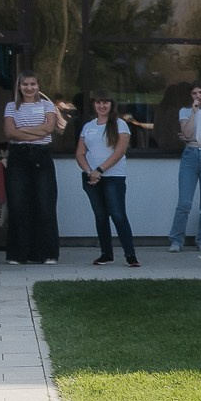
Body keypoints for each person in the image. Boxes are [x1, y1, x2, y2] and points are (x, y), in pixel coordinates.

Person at [1, 72, 66, 265]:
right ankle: (18, 254)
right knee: (18, 204)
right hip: (18, 156)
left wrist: (21, 131)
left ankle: (47, 253)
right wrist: (36, 132)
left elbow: (49, 128)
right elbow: (9, 132)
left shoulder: (47, 105)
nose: (29, 88)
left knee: (45, 204)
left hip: (42, 155)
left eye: (32, 84)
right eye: (25, 84)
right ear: (19, 87)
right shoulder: (11, 106)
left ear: (38, 86)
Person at [75, 91, 138, 268]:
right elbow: (80, 153)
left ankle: (130, 255)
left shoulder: (120, 124)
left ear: (111, 105)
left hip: (113, 177)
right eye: (98, 102)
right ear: (93, 104)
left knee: (118, 215)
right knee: (100, 216)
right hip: (91, 178)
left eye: (105, 102)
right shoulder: (88, 126)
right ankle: (106, 254)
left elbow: (119, 152)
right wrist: (90, 171)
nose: (102, 106)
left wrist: (100, 170)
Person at [170, 84, 201, 254]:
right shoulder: (186, 111)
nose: (198, 95)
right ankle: (176, 240)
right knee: (184, 202)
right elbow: (187, 133)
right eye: (194, 93)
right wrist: (194, 112)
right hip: (190, 155)